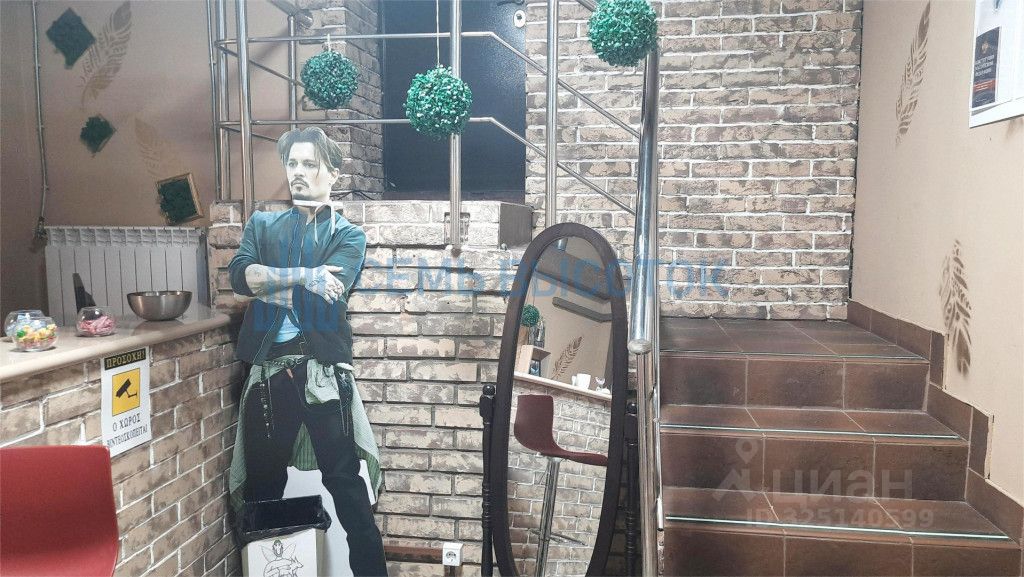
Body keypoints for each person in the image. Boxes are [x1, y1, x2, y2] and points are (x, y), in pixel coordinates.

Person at [226, 127, 387, 576]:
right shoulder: (261, 224)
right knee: (262, 491)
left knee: (348, 492)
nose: (297, 172)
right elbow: (239, 278)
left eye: (309, 164)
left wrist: (269, 284)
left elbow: (323, 299)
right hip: (268, 376)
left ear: (332, 173)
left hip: (323, 376)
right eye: (292, 163)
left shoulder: (348, 235)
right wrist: (305, 275)